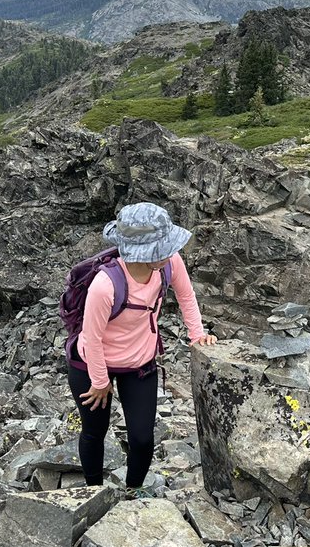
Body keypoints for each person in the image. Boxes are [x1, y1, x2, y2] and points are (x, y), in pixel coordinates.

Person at [68, 202, 216, 494]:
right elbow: (92, 337)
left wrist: (197, 334)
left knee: (142, 438)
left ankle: (133, 491)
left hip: (140, 361)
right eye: (160, 249)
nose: (167, 253)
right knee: (94, 432)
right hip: (91, 364)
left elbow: (186, 296)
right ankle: (93, 493)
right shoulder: (105, 284)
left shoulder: (170, 262)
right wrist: (100, 382)